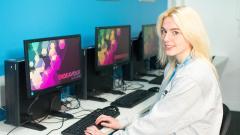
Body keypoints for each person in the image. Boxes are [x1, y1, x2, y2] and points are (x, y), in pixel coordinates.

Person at [85, 6, 223, 135]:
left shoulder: (193, 76)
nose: (166, 38)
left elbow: (157, 126)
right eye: (163, 31)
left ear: (191, 34)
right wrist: (123, 122)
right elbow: (159, 112)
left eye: (175, 32)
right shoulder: (175, 66)